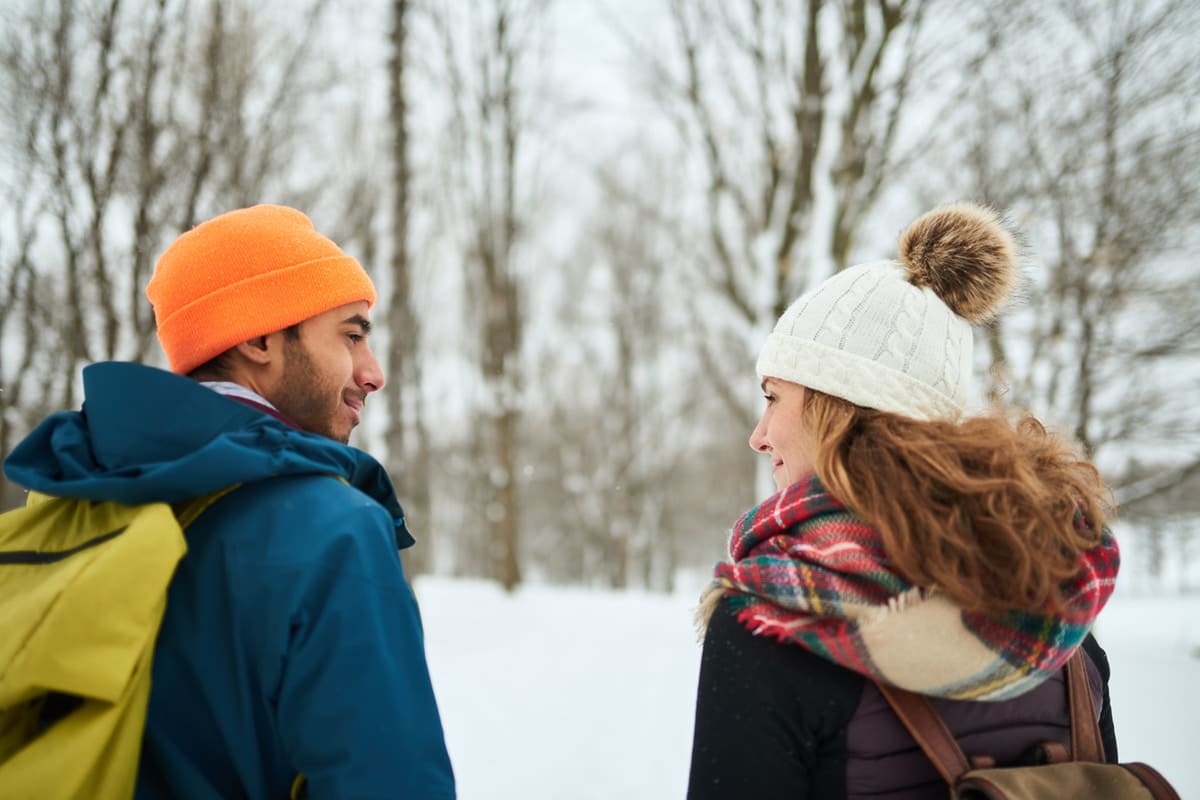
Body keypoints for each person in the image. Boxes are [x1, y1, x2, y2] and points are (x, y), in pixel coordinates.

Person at [3, 205, 455, 798]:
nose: (373, 373)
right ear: (259, 338)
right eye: (351, 335)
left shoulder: (76, 509)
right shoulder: (332, 533)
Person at [686, 203, 1121, 799]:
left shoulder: (767, 623)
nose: (759, 436)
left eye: (773, 397)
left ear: (833, 406)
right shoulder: (1056, 604)